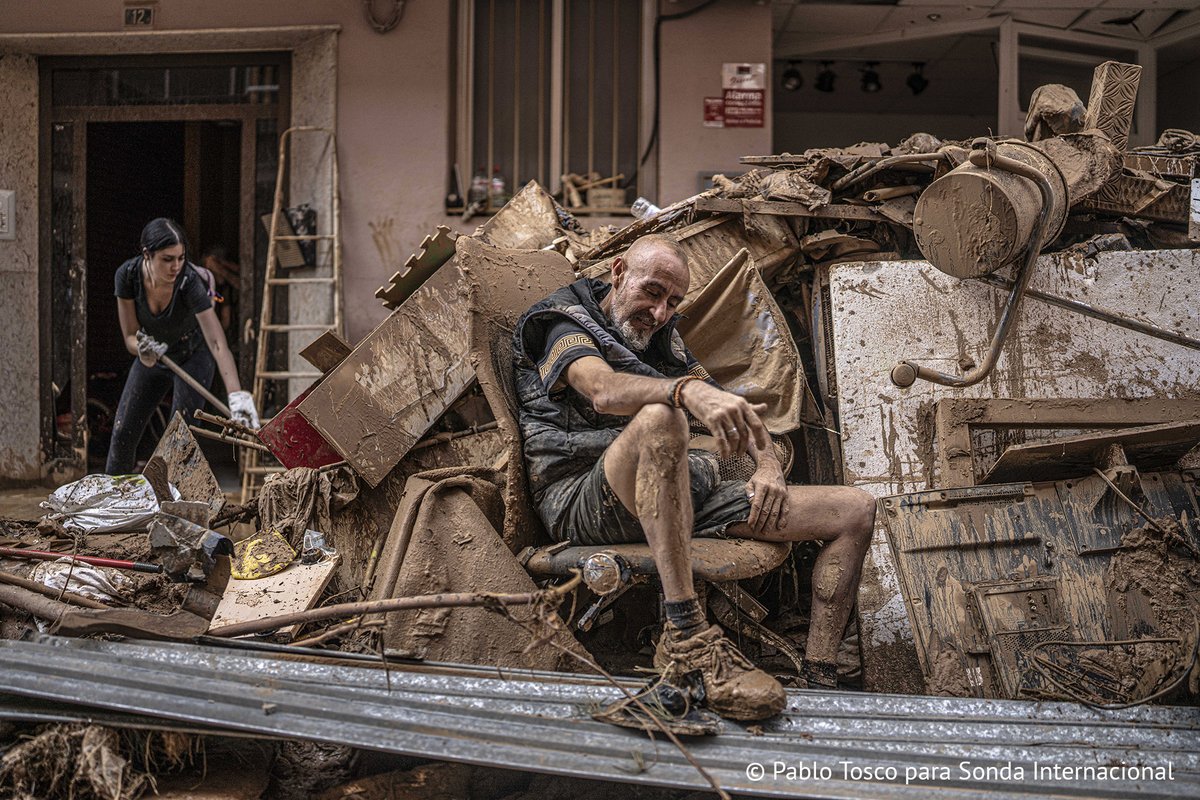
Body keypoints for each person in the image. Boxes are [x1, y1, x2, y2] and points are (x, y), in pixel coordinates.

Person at [513, 234, 875, 721]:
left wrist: (767, 466)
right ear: (618, 272)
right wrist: (683, 393)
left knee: (854, 510)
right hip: (584, 500)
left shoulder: (661, 337)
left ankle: (820, 677)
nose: (660, 312)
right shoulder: (562, 320)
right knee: (664, 418)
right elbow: (601, 390)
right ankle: (687, 640)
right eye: (652, 292)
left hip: (672, 491)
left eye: (672, 302)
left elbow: (732, 410)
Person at [105, 218, 259, 474]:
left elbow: (217, 342)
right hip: (154, 355)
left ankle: (169, 506)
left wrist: (236, 395)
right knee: (123, 432)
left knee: (179, 439)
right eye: (167, 259)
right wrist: (142, 350)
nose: (176, 266)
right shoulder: (127, 276)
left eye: (180, 257)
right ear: (147, 254)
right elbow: (130, 336)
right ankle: (112, 503)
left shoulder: (189, 281)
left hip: (193, 356)